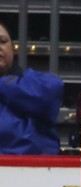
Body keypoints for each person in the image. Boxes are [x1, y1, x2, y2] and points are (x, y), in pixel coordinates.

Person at [0, 21, 64, 155]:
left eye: (3, 41)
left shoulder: (37, 81)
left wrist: (4, 84)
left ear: (13, 47)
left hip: (35, 170)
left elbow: (49, 96)